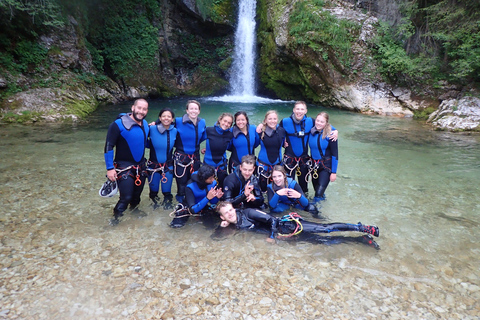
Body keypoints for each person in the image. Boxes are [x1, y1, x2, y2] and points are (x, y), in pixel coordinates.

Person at [215, 201, 379, 242]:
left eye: (230, 210)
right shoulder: (232, 223)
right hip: (286, 237)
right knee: (324, 242)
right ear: (222, 217)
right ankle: (360, 240)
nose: (230, 214)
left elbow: (272, 220)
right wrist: (222, 228)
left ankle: (362, 227)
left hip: (289, 226)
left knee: (326, 229)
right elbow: (215, 239)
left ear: (234, 208)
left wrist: (272, 236)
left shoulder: (248, 212)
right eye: (226, 213)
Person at [103, 99, 150, 223]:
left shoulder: (145, 124)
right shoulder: (118, 124)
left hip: (141, 167)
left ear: (147, 111)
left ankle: (134, 211)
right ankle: (116, 219)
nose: (141, 111)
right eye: (139, 108)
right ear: (133, 108)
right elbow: (109, 146)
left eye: (144, 109)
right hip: (124, 167)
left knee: (136, 197)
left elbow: (143, 142)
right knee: (126, 197)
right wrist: (110, 168)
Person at [280, 101, 338, 195]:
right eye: (297, 109)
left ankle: (303, 206)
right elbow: (276, 130)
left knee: (304, 188)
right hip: (289, 160)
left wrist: (335, 130)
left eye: (302, 109)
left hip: (304, 160)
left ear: (306, 111)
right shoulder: (285, 121)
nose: (299, 111)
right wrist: (283, 142)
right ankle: (289, 206)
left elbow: (323, 123)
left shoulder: (311, 121)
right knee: (289, 186)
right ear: (293, 110)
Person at [173, 100, 206, 203]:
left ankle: (191, 202)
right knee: (181, 183)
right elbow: (164, 123)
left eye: (196, 109)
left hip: (195, 157)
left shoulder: (202, 122)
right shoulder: (178, 121)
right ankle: (181, 203)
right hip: (181, 157)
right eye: (191, 108)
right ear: (187, 110)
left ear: (199, 111)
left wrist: (206, 149)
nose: (193, 111)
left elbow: (204, 137)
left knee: (194, 181)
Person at [147, 108, 177, 210]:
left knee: (167, 193)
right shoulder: (151, 129)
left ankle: (166, 214)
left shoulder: (175, 131)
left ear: (172, 119)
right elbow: (140, 140)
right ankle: (154, 212)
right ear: (159, 118)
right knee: (153, 193)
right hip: (153, 167)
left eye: (169, 116)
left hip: (167, 167)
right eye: (163, 116)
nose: (166, 118)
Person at [308, 112, 338, 203]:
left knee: (318, 194)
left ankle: (315, 214)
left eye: (322, 122)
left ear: (326, 123)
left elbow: (335, 154)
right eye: (317, 121)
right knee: (318, 191)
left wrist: (334, 172)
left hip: (326, 167)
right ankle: (321, 205)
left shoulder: (331, 134)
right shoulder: (311, 131)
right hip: (314, 166)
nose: (319, 123)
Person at [256, 110, 286, 192]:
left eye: (274, 119)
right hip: (263, 166)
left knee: (278, 191)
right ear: (265, 120)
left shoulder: (282, 130)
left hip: (278, 166)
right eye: (270, 119)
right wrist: (260, 125)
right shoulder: (260, 131)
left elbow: (285, 143)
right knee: (263, 191)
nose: (272, 121)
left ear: (277, 120)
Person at [201, 113, 234, 188]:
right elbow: (197, 141)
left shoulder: (230, 134)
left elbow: (230, 147)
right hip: (207, 165)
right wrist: (205, 149)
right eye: (224, 121)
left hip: (221, 167)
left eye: (229, 123)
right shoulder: (209, 130)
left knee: (221, 189)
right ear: (220, 120)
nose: (226, 124)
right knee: (206, 189)